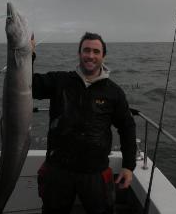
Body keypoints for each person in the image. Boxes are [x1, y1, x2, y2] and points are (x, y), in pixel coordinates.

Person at [33, 32, 137, 214]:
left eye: (96, 51)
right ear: (79, 53)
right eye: (86, 50)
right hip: (58, 169)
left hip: (95, 172)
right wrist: (27, 54)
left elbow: (127, 128)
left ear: (103, 56)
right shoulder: (60, 81)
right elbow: (28, 85)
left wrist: (128, 166)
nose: (90, 55)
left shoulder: (114, 92)